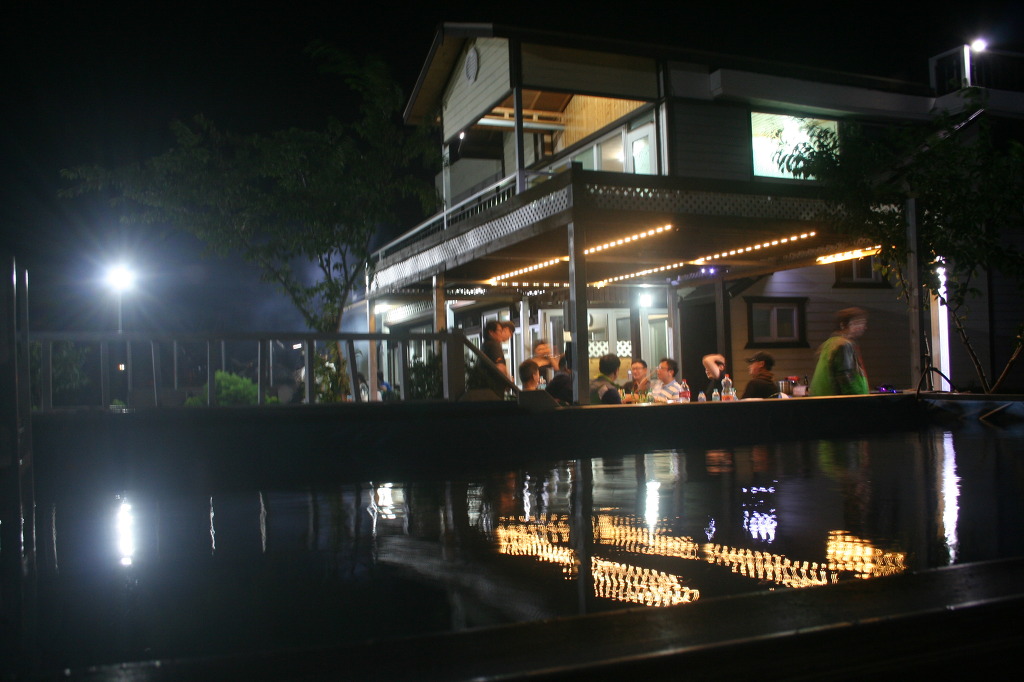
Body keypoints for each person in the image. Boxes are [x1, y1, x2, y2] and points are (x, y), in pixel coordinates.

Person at [810, 307, 870, 395]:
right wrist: (858, 398)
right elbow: (846, 377)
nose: (863, 327)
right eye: (857, 323)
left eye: (863, 323)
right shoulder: (844, 345)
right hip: (841, 401)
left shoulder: (829, 344)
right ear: (843, 325)